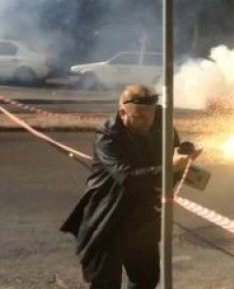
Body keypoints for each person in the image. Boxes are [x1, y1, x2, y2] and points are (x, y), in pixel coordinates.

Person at [61, 84, 201, 289]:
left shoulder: (163, 124)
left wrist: (182, 161)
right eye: (138, 117)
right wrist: (171, 167)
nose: (146, 122)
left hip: (142, 218)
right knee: (105, 282)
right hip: (108, 217)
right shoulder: (108, 135)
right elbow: (127, 177)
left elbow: (169, 171)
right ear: (122, 112)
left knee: (146, 279)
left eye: (149, 115)